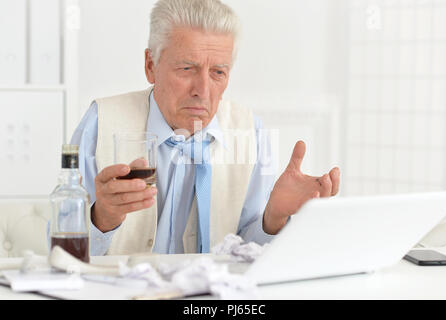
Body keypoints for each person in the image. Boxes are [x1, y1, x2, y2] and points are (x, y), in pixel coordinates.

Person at [71, 0, 340, 256]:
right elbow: (63, 252)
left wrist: (275, 218)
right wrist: (101, 218)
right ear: (151, 66)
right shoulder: (100, 123)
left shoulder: (250, 133)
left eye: (218, 73)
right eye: (187, 68)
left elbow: (244, 251)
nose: (202, 91)